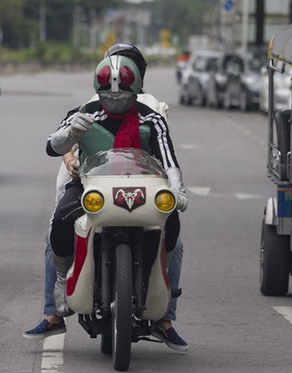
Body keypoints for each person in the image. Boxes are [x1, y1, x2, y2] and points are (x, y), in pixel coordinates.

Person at [24, 44, 189, 352]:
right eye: (109, 94)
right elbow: (52, 146)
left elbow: (168, 160)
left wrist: (178, 192)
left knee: (174, 233)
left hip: (144, 188)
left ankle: (165, 317)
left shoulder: (151, 118)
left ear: (137, 87)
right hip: (90, 187)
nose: (115, 100)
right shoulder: (83, 113)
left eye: (123, 95)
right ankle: (58, 296)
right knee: (59, 222)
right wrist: (70, 133)